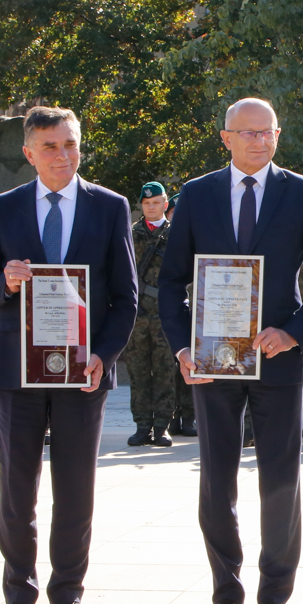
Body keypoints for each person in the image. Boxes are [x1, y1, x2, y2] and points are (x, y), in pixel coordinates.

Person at [159, 97, 303, 604]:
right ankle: (226, 597)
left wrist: (294, 333)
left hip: (278, 359)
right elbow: (170, 282)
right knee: (216, 480)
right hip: (214, 359)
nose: (260, 141)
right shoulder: (196, 195)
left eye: (269, 132)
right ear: (226, 138)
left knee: (280, 479)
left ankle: (274, 599)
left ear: (278, 136)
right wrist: (181, 348)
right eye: (248, 132)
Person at [0, 106, 139, 604]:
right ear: (29, 153)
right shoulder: (5, 208)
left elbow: (126, 299)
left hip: (82, 373)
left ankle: (68, 594)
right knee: (18, 488)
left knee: (76, 487)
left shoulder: (109, 207)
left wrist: (103, 356)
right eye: (51, 147)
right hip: (19, 372)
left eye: (70, 145)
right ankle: (19, 595)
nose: (63, 156)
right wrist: (5, 283)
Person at [123, 182, 175, 447]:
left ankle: (162, 426)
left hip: (166, 315)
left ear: (165, 205)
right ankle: (142, 425)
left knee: (165, 371)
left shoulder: (176, 235)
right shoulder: (130, 235)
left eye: (156, 203)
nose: (151, 207)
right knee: (138, 371)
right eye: (147, 203)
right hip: (137, 315)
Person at [163, 192, 198, 439]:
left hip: (204, 313)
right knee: (166, 374)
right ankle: (163, 421)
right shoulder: (142, 234)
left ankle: (188, 418)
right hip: (165, 313)